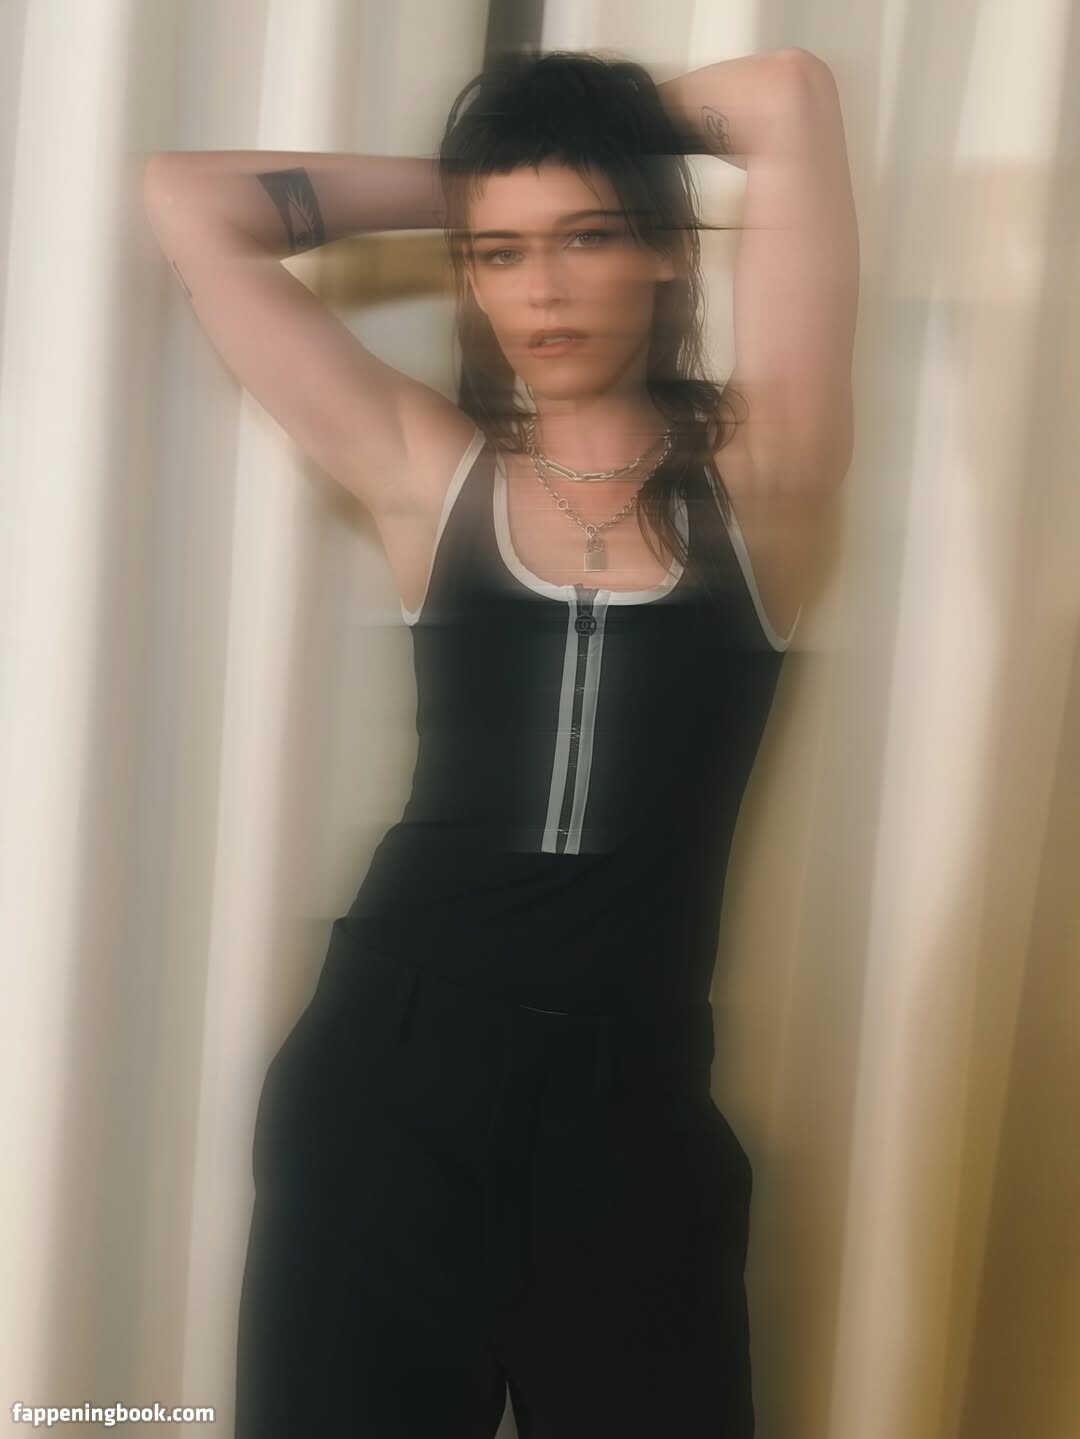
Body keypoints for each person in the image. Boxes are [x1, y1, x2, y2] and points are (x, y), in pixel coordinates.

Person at [144, 42, 856, 1439]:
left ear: (663, 250)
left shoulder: (763, 486)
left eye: (588, 236)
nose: (542, 288)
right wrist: (488, 176)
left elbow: (787, 98)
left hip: (634, 1123)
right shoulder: (433, 474)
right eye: (499, 251)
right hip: (384, 1088)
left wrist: (582, 138)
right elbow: (190, 202)